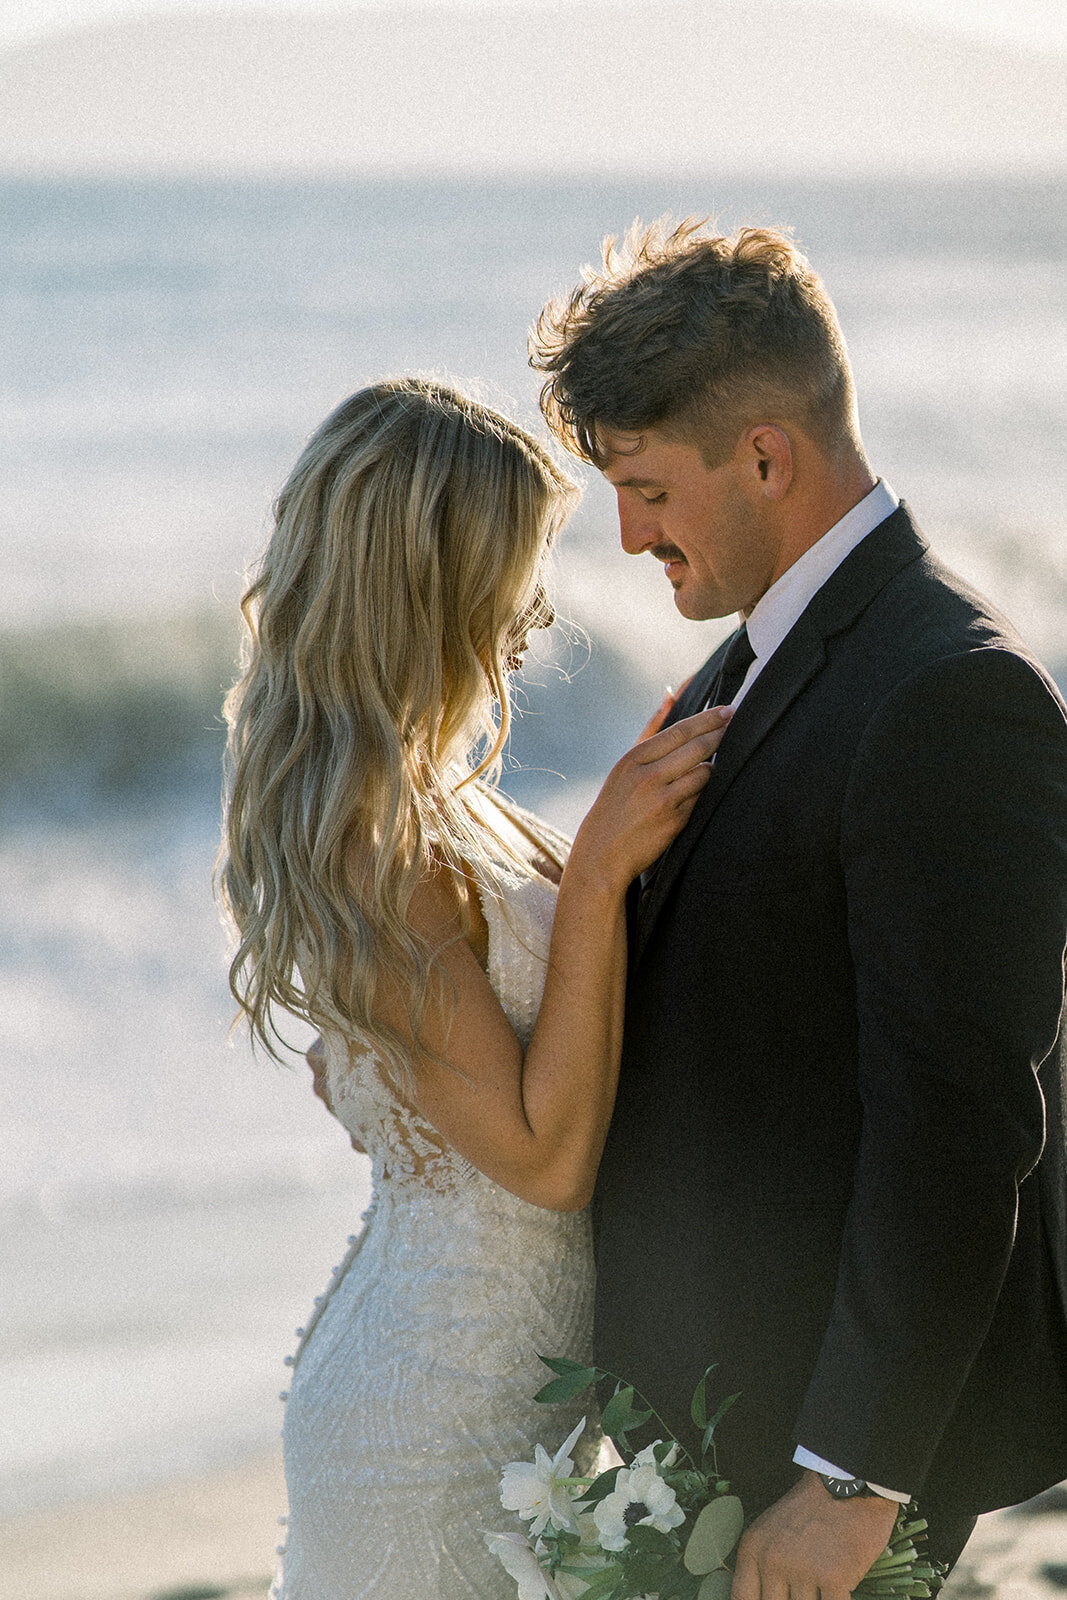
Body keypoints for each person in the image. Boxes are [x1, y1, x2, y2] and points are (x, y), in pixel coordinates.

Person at [531, 219, 1067, 1596]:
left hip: (812, 1463)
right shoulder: (746, 664)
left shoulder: (948, 696)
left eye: (643, 486)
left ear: (762, 455)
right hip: (711, 1433)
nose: (626, 532)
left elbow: (955, 1122)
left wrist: (848, 1481)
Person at [217, 377, 731, 1599]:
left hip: (503, 1392)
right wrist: (598, 866)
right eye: (514, 568)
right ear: (432, 584)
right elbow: (544, 1159)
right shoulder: (367, 842)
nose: (536, 605)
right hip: (432, 1424)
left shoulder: (436, 798)